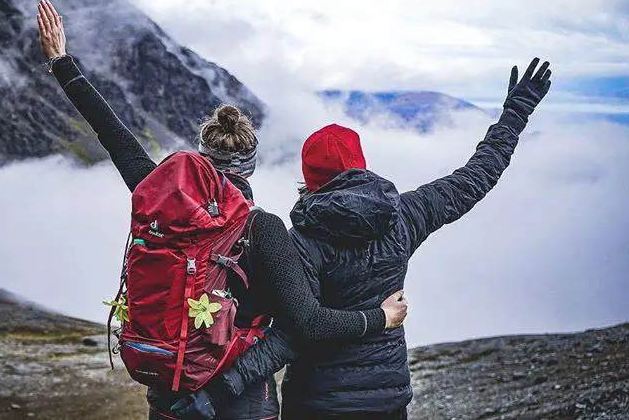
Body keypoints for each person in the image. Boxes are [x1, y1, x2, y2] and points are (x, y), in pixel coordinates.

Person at [35, 0, 408, 420]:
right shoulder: (263, 229)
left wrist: (61, 61)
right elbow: (309, 324)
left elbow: (112, 133)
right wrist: (380, 317)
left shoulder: (158, 195)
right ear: (250, 166)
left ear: (202, 156)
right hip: (242, 402)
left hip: (168, 390)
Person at [179, 58, 552, 420]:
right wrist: (516, 111)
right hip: (386, 402)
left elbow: (292, 335)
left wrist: (218, 393)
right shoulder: (406, 215)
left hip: (315, 402)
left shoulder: (301, 242)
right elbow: (476, 177)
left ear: (309, 178)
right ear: (361, 164)